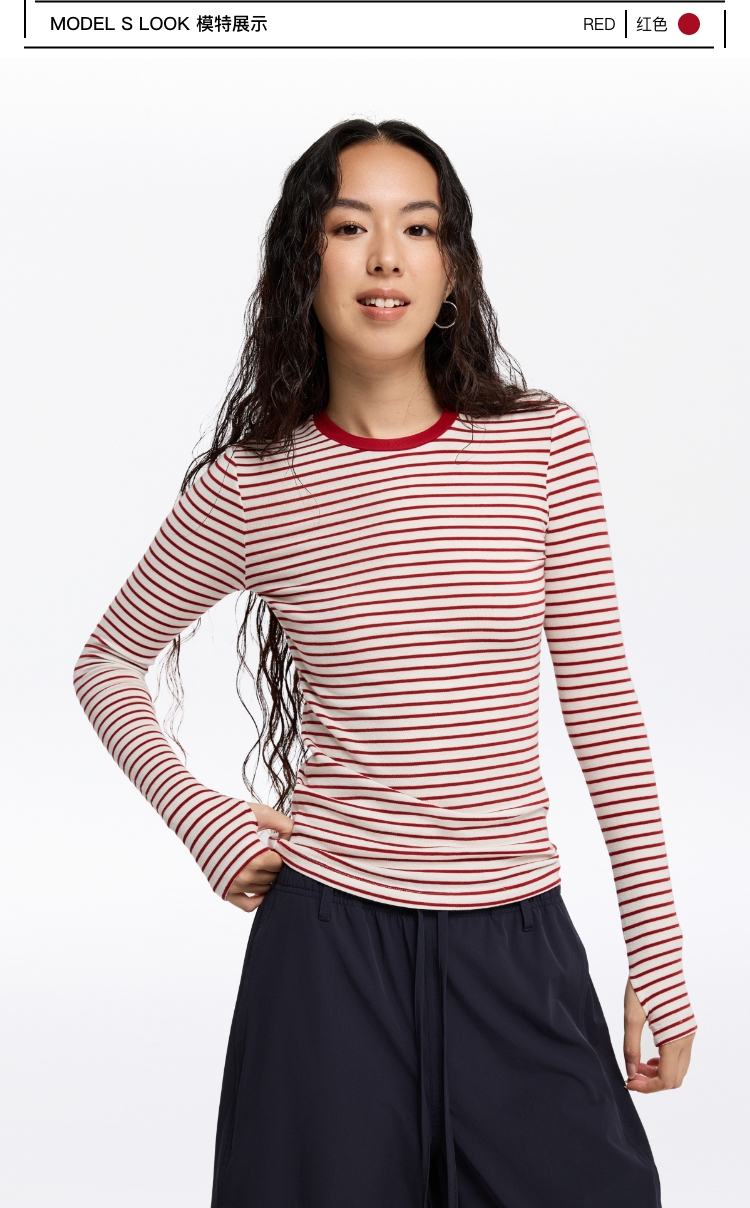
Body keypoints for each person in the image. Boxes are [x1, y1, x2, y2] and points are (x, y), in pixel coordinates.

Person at [74, 119, 697, 1208]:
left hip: (518, 944)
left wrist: (659, 950)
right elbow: (107, 660)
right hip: (326, 957)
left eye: (419, 228)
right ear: (302, 261)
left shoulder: (542, 446)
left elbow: (602, 702)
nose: (385, 258)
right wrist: (204, 818)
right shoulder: (252, 484)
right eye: (348, 226)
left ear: (453, 267)